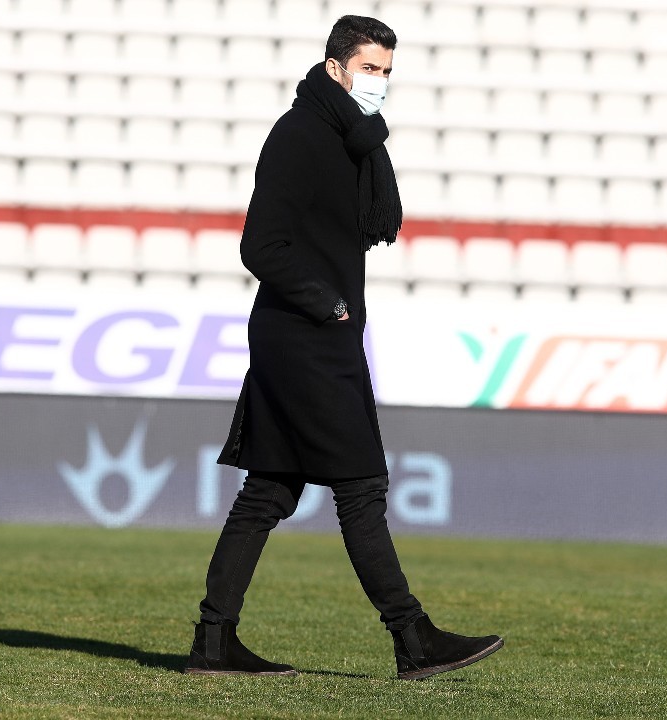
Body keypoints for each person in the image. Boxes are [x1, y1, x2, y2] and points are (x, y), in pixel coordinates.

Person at [184, 15, 503, 681]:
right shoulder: (299, 134)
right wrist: (325, 302)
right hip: (302, 335)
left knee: (269, 490)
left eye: (386, 71)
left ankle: (214, 643)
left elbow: (356, 230)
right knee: (361, 487)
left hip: (323, 335)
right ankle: (413, 638)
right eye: (368, 68)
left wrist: (336, 312)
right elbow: (260, 245)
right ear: (336, 68)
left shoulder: (350, 138)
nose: (378, 81)